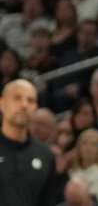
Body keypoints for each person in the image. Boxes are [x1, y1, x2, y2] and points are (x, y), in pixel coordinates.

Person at [0, 78, 61, 206]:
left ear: (35, 108)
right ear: (2, 103)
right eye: (17, 98)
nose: (24, 105)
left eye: (30, 100)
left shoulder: (46, 156)